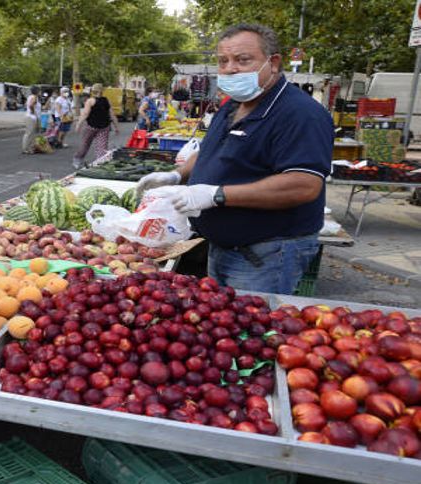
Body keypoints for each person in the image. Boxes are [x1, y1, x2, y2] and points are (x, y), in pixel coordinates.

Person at [135, 23, 333, 294]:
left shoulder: (300, 114)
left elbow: (303, 184)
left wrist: (217, 194)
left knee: (252, 328)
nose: (229, 68)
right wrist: (177, 175)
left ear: (273, 63)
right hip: (224, 246)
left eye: (243, 60)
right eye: (223, 61)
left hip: (266, 253)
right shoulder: (232, 106)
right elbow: (211, 151)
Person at [73, 83, 118, 168]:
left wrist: (78, 124)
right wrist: (116, 127)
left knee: (85, 145)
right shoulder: (106, 101)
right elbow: (112, 115)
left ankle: (77, 160)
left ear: (93, 91)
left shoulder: (90, 101)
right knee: (102, 148)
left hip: (91, 126)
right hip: (104, 127)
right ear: (102, 91)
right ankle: (99, 164)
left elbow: (85, 114)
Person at [21, 86, 41, 154]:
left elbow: (27, 105)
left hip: (30, 116)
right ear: (37, 91)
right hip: (31, 117)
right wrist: (33, 112)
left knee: (30, 133)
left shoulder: (30, 97)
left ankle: (29, 148)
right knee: (29, 133)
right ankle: (26, 149)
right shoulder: (34, 97)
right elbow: (31, 105)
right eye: (39, 91)